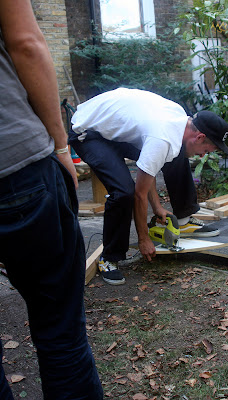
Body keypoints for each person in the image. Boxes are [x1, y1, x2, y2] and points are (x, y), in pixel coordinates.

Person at [0, 1, 103, 399]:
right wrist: (61, 146)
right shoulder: (163, 134)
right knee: (59, 330)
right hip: (15, 164)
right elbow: (26, 42)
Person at [68, 87, 228, 286]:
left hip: (111, 128)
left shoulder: (180, 121)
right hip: (88, 131)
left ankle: (184, 218)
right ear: (199, 137)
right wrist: (144, 238)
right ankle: (109, 257)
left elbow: (149, 165)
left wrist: (158, 208)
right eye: (206, 150)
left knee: (178, 154)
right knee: (124, 191)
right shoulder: (162, 137)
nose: (204, 155)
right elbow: (139, 194)